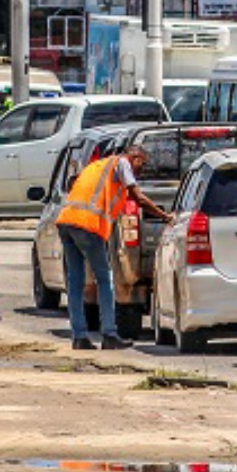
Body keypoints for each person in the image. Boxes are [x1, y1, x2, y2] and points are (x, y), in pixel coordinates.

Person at [56, 146, 173, 350]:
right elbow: (138, 197)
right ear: (134, 157)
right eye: (142, 164)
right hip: (87, 224)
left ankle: (79, 336)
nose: (140, 171)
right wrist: (164, 216)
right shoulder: (122, 164)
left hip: (66, 221)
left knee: (76, 280)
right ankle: (109, 334)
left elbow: (74, 184)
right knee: (104, 279)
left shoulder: (98, 165)